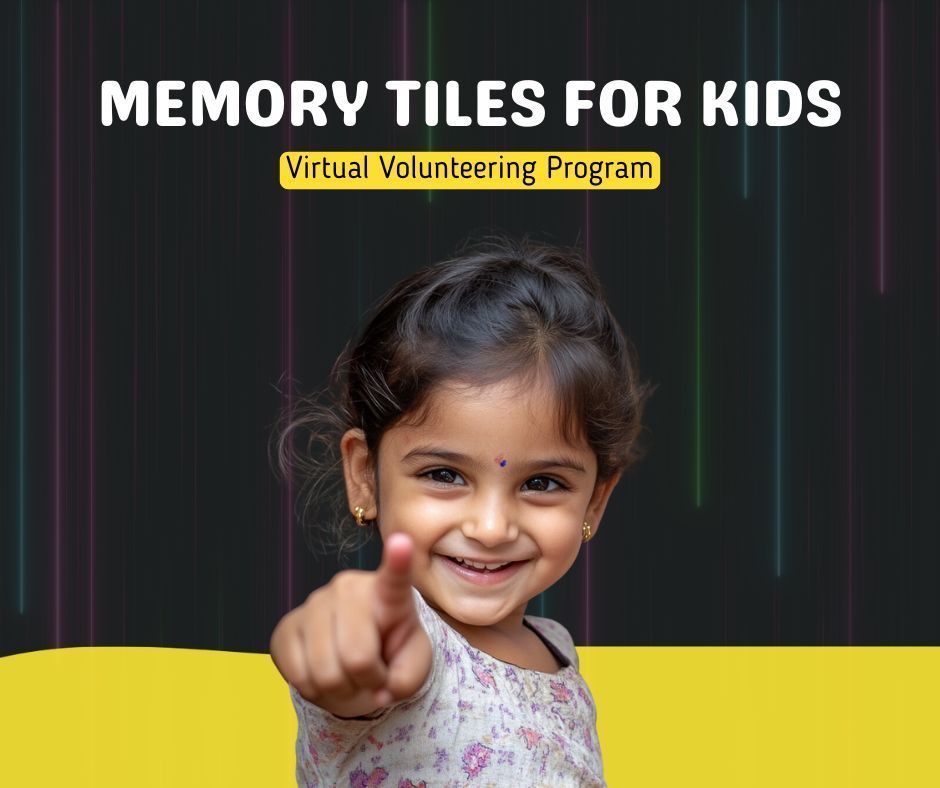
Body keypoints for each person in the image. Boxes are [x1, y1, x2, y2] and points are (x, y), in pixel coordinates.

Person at [269, 236, 651, 787]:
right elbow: (348, 654)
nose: (491, 528)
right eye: (444, 475)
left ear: (595, 499)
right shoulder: (407, 644)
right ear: (364, 476)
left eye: (541, 483)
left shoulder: (556, 648)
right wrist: (335, 642)